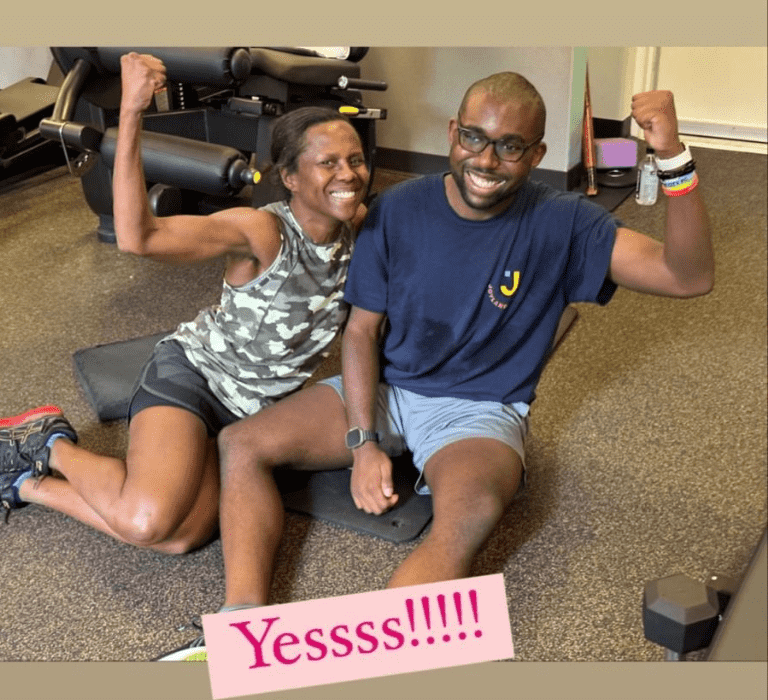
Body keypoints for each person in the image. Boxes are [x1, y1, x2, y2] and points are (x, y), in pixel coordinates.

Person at [168, 73, 714, 654]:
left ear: (536, 155)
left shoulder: (566, 222)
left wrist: (672, 156)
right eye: (474, 137)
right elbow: (361, 331)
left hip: (480, 412)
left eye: (510, 146)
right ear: (453, 133)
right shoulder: (397, 209)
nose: (486, 160)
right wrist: (363, 442)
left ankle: (364, 660)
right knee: (242, 444)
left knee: (466, 521)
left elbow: (688, 276)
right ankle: (241, 627)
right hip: (390, 389)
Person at [0, 52, 371, 555]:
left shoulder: (358, 226)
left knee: (184, 537)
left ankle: (22, 485)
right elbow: (137, 237)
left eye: (355, 160)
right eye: (328, 163)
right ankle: (46, 443)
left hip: (248, 415)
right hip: (194, 377)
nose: (348, 174)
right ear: (291, 177)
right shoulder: (262, 232)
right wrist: (131, 110)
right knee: (147, 521)